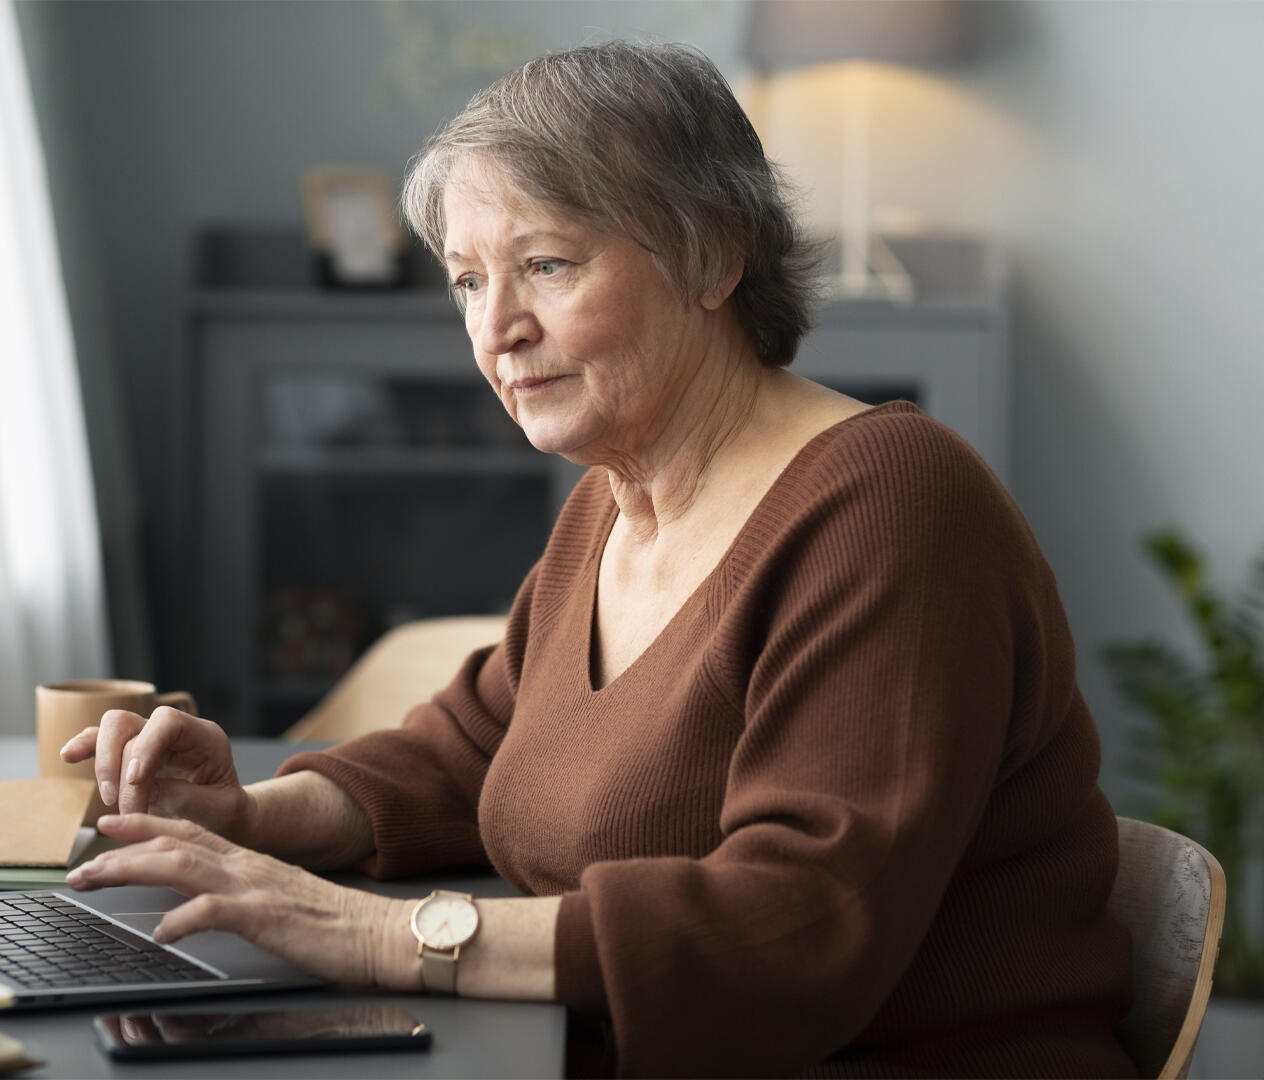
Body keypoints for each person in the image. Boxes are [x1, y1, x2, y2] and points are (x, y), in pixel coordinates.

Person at [61, 40, 1136, 1077]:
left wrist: (390, 937)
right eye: (469, 281)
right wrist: (254, 816)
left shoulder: (891, 505)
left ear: (713, 256)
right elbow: (475, 744)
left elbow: (801, 927)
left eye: (544, 265)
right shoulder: (609, 506)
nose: (498, 331)